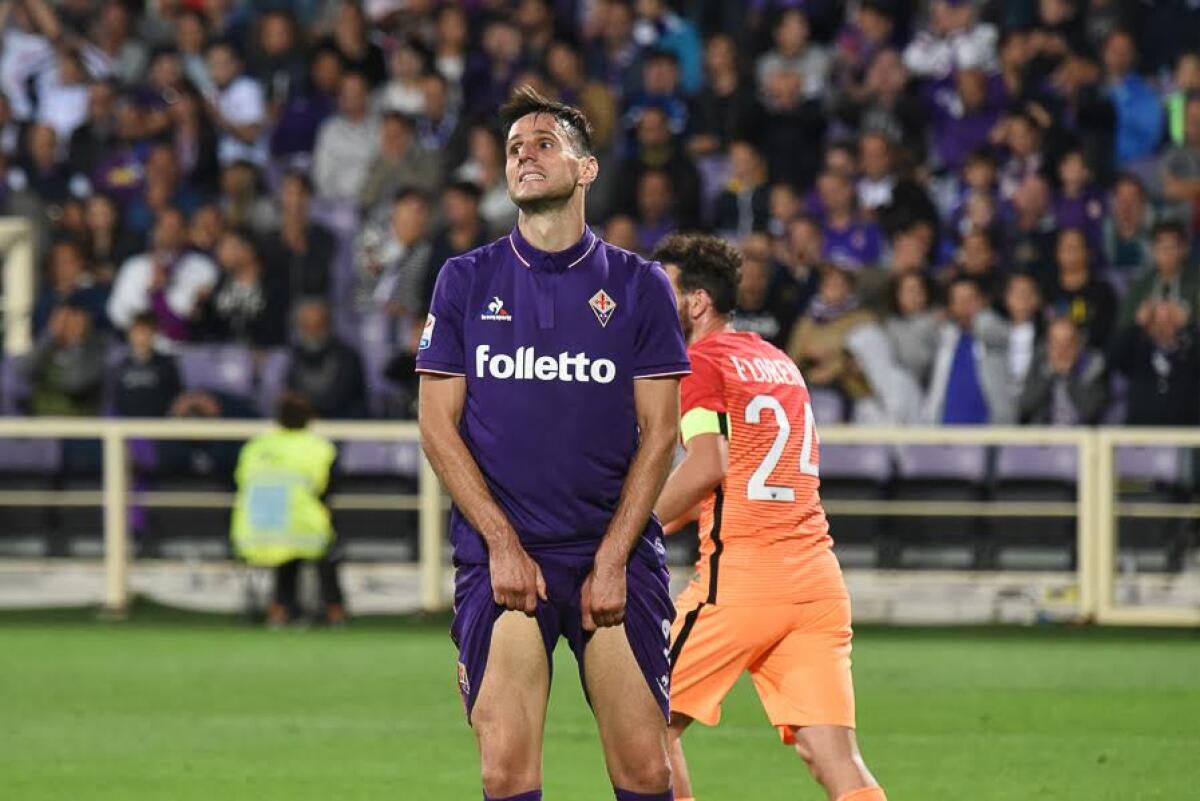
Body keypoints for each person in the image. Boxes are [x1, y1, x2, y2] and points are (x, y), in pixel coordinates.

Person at [416, 87, 690, 801]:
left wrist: (613, 557)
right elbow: (437, 426)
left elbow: (662, 433)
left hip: (611, 552)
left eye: (544, 144)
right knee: (504, 769)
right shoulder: (464, 279)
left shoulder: (639, 284)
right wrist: (501, 544)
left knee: (646, 769)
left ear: (586, 168)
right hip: (506, 555)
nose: (525, 156)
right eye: (514, 148)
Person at [651, 233, 887, 801]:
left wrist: (632, 528)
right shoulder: (777, 361)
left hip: (743, 580)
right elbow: (745, 470)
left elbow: (707, 465)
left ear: (698, 301)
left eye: (663, 289)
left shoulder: (700, 363)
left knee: (643, 721)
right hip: (816, 581)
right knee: (835, 759)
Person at [231, 392, 345, 627]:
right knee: (323, 550)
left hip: (252, 529)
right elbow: (326, 489)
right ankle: (334, 610)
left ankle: (280, 609)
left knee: (283, 553)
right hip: (301, 528)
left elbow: (239, 481)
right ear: (310, 419)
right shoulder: (318, 447)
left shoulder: (256, 445)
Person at [923, 277, 1014, 424]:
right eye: (958, 300)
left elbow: (991, 328)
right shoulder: (945, 338)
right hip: (948, 427)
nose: (964, 305)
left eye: (970, 299)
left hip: (989, 427)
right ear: (951, 306)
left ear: (982, 301)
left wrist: (980, 316)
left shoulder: (995, 334)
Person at [285, 299, 367, 420]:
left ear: (328, 325)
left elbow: (341, 396)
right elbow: (289, 394)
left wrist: (309, 410)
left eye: (318, 325)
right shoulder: (290, 357)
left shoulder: (347, 357)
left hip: (341, 422)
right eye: (306, 326)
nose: (312, 332)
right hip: (303, 421)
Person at [1018, 318, 1108, 425]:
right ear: (1047, 345)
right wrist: (1048, 374)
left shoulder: (1093, 365)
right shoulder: (1039, 365)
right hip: (1044, 433)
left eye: (1068, 343)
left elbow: (1090, 410)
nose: (1062, 350)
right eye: (1055, 343)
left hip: (1081, 433)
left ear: (1079, 344)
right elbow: (1025, 407)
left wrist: (1069, 375)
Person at [114, 312, 182, 418]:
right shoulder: (120, 366)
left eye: (146, 332)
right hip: (127, 424)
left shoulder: (166, 364)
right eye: (138, 332)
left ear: (153, 334)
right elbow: (115, 399)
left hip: (158, 423)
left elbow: (176, 397)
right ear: (130, 334)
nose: (141, 337)